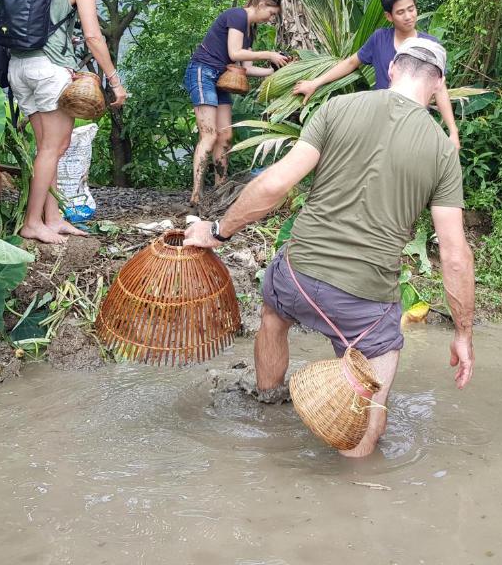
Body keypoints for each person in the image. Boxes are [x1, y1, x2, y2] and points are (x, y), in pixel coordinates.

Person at [184, 38, 476, 457]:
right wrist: (463, 334)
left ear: (392, 68)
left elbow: (273, 185)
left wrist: (218, 231)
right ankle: (355, 487)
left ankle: (267, 411)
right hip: (364, 301)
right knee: (370, 401)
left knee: (273, 312)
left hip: (296, 277)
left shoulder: (338, 108)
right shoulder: (442, 153)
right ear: (438, 85)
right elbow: (454, 256)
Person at [8, 0, 127, 245]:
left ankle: (53, 218)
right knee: (53, 148)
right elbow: (92, 36)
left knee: (48, 149)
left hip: (18, 67)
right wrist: (114, 81)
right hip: (49, 71)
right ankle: (32, 222)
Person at [291, 0, 461, 150]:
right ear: (389, 16)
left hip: (416, 124)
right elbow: (351, 63)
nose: (408, 16)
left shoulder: (431, 46)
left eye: (411, 9)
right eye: (401, 12)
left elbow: (440, 89)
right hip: (380, 123)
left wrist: (453, 132)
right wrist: (315, 83)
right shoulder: (379, 39)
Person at [185, 0, 290, 206]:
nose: (270, 19)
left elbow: (247, 69)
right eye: (271, 13)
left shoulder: (250, 31)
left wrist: (275, 71)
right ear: (261, 4)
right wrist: (269, 54)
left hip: (222, 78)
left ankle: (219, 191)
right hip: (203, 71)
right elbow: (235, 53)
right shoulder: (237, 15)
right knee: (209, 135)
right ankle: (196, 195)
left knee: (225, 136)